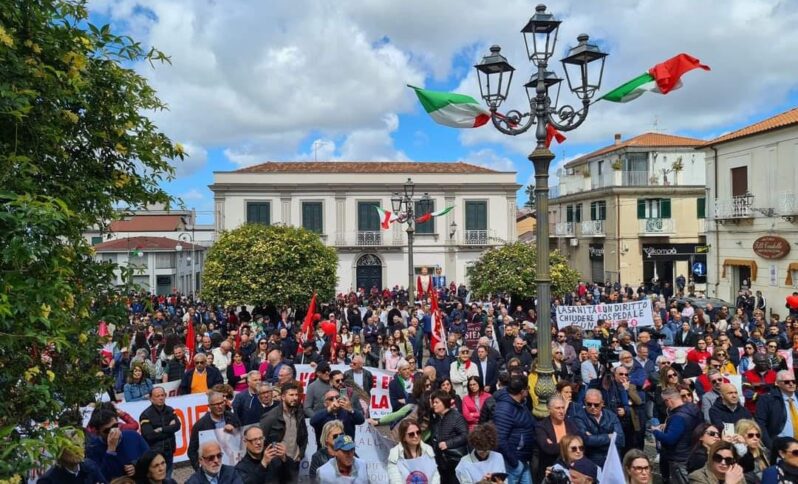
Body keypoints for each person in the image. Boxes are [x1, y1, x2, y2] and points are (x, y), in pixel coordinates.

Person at [259, 381, 307, 483]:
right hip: (276, 467)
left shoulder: (299, 413)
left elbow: (304, 436)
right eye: (291, 395)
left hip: (294, 463)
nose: (295, 398)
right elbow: (260, 442)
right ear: (283, 397)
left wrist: (300, 454)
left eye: (296, 395)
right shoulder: (270, 417)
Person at [652, 387, 702, 483]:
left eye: (664, 401)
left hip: (680, 458)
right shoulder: (694, 409)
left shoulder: (677, 417)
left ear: (668, 400)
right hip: (693, 454)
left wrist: (656, 432)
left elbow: (670, 439)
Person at [494, 374, 536, 484]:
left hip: (522, 458)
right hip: (513, 462)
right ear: (522, 391)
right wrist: (515, 463)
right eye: (528, 388)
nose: (529, 391)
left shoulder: (520, 403)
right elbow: (500, 439)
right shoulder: (505, 409)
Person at [86, 408, 149, 480]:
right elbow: (101, 477)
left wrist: (137, 466)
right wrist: (110, 450)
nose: (113, 431)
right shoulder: (93, 448)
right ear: (98, 433)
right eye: (107, 430)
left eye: (115, 426)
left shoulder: (133, 435)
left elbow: (150, 458)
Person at [187, 390, 241, 471]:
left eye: (221, 403)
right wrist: (199, 469)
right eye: (216, 404)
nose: (219, 406)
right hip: (212, 469)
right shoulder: (200, 425)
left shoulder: (232, 417)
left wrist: (234, 431)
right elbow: (192, 451)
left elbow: (242, 438)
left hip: (233, 464)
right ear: (209, 406)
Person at [575, 388, 624, 467]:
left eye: (596, 404)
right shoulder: (579, 417)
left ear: (602, 403)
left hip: (611, 459)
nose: (592, 407)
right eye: (589, 404)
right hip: (591, 460)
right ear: (585, 402)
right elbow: (586, 440)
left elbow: (620, 439)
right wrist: (608, 436)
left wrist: (594, 438)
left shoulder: (611, 416)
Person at [535, 395, 579, 483]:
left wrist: (557, 444)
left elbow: (581, 442)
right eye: (558, 408)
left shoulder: (570, 423)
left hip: (570, 471)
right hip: (549, 472)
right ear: (549, 409)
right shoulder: (541, 426)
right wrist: (569, 445)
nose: (562, 411)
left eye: (563, 408)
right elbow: (547, 448)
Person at [139, 387, 180, 478]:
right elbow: (149, 435)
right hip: (155, 452)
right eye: (157, 396)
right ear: (151, 398)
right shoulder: (145, 414)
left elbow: (177, 426)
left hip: (169, 450)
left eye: (162, 395)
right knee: (156, 478)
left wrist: (161, 429)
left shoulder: (170, 410)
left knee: (168, 478)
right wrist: (169, 428)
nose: (161, 398)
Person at [39, 429, 106, 484]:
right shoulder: (48, 480)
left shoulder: (91, 467)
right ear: (60, 450)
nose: (79, 450)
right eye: (74, 446)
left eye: (82, 445)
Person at [430, 389, 469, 484]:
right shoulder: (437, 417)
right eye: (433, 402)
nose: (434, 405)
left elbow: (465, 435)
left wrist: (448, 443)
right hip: (441, 463)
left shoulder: (456, 417)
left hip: (454, 463)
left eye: (436, 402)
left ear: (444, 402)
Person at [755, 369, 797, 449]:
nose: (791, 384)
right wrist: (771, 446)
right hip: (781, 446)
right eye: (787, 382)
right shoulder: (767, 400)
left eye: (793, 381)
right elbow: (760, 424)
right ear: (777, 383)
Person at [388, 419, 440, 484]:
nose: (416, 436)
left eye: (418, 432)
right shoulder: (394, 453)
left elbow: (435, 474)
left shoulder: (428, 449)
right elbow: (395, 479)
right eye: (411, 434)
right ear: (403, 437)